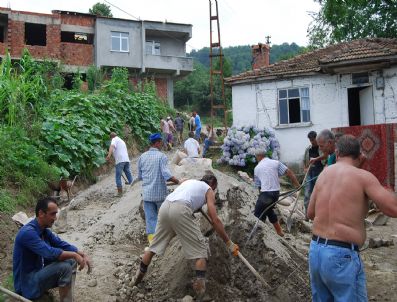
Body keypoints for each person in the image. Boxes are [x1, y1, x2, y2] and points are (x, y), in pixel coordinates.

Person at [307, 135, 397, 302]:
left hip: (316, 251)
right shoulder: (363, 177)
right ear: (360, 155)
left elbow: (310, 213)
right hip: (341, 256)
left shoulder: (324, 173)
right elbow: (393, 209)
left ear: (337, 152)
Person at [132, 174, 239, 298]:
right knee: (200, 251)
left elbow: (188, 195)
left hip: (166, 206)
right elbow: (214, 219)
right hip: (180, 210)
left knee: (153, 246)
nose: (213, 191)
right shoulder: (209, 190)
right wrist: (228, 242)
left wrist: (196, 206)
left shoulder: (190, 182)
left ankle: (137, 278)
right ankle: (200, 293)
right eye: (214, 189)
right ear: (213, 185)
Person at [13, 197, 92, 301]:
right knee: (64, 267)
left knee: (71, 262)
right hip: (26, 284)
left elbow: (60, 244)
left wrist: (81, 254)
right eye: (52, 214)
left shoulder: (43, 230)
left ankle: (68, 299)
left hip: (38, 273)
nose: (55, 218)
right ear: (41, 213)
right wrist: (74, 255)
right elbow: (50, 253)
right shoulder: (28, 233)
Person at [137, 133, 181, 244]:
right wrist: (179, 181)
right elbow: (166, 175)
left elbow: (140, 176)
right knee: (163, 219)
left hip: (147, 195)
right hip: (160, 195)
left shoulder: (142, 157)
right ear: (157, 143)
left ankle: (152, 243)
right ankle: (165, 241)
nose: (162, 144)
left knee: (151, 219)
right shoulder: (161, 156)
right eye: (161, 142)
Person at [253, 150, 300, 237]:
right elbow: (289, 172)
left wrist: (261, 198)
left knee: (257, 214)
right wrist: (297, 186)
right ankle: (279, 232)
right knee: (269, 210)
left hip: (266, 193)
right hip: (276, 193)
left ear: (258, 156)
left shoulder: (257, 168)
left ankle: (259, 235)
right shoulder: (276, 163)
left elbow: (259, 186)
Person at [303, 131, 325, 215]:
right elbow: (304, 160)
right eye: (310, 140)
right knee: (307, 193)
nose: (312, 141)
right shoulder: (308, 149)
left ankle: (320, 213)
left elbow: (325, 158)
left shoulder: (321, 148)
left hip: (320, 173)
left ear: (317, 138)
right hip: (310, 172)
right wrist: (305, 168)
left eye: (313, 139)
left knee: (320, 193)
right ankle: (307, 214)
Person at [106, 132, 133, 196]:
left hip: (120, 160)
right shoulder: (121, 140)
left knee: (117, 176)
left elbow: (112, 146)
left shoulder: (114, 139)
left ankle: (120, 192)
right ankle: (133, 186)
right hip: (126, 159)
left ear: (111, 137)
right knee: (127, 172)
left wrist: (108, 156)